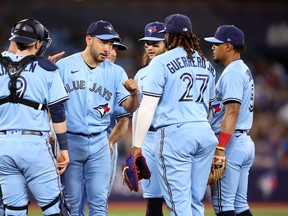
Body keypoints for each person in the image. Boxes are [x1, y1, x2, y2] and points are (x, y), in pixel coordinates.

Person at [130, 14, 218, 216]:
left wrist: (136, 147)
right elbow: (211, 107)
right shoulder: (206, 64)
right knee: (195, 202)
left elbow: (147, 107)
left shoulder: (160, 63)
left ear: (168, 36)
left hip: (175, 135)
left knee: (178, 205)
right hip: (204, 134)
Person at [56, 20, 139, 215]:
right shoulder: (64, 66)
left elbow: (128, 109)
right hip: (70, 141)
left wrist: (135, 95)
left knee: (99, 204)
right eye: (103, 42)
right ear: (88, 40)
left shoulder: (116, 72)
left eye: (111, 44)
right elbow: (52, 108)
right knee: (72, 204)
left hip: (100, 142)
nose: (107, 48)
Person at [0, 17, 70, 215]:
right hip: (33, 146)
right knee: (55, 208)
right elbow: (57, 111)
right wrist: (63, 148)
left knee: (13, 209)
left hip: (3, 145)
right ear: (37, 43)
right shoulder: (47, 69)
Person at [204, 25, 255, 216]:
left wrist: (220, 148)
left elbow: (232, 111)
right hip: (242, 141)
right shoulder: (242, 69)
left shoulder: (233, 72)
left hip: (230, 142)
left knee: (223, 207)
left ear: (228, 46)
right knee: (240, 205)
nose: (212, 47)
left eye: (216, 44)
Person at [133, 21, 166, 216]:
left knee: (178, 200)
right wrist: (136, 144)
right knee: (153, 202)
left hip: (170, 135)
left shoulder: (173, 70)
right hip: (148, 139)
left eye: (156, 43)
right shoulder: (141, 74)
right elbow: (138, 111)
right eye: (147, 43)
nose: (150, 47)